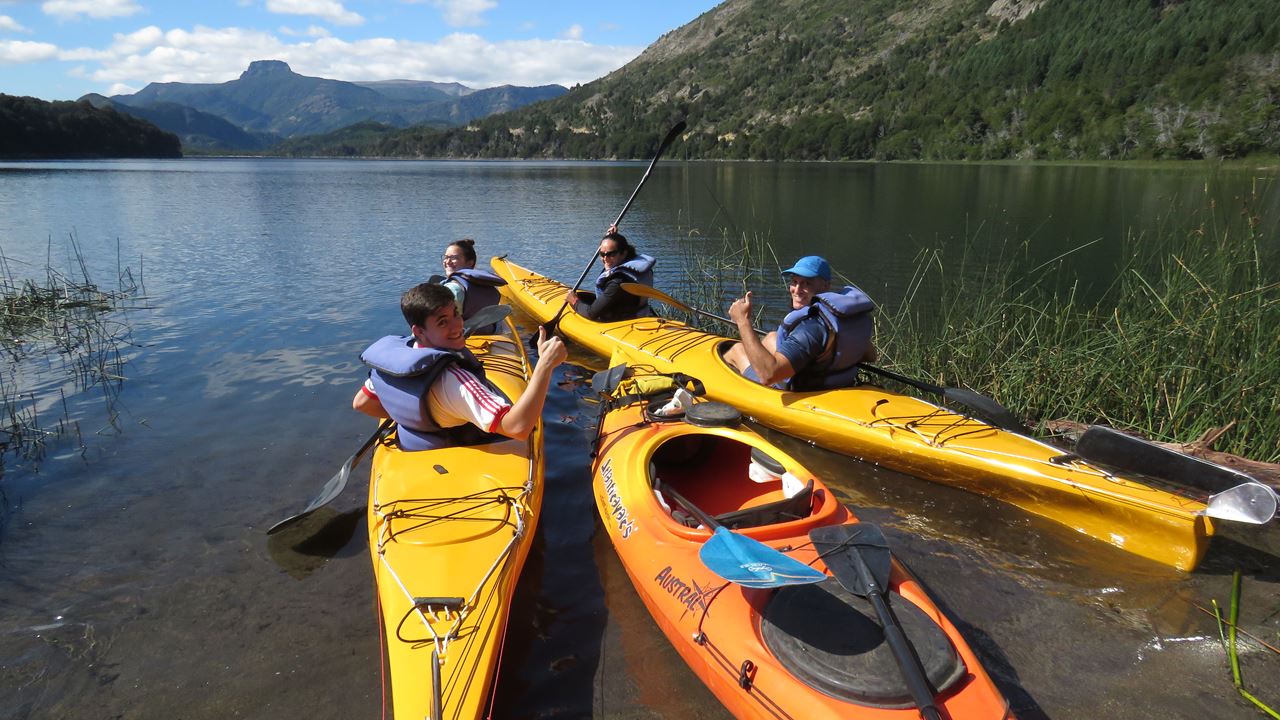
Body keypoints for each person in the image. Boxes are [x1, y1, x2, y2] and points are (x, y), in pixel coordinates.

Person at [353, 282, 566, 450]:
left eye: (455, 314)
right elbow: (517, 428)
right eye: (442, 322)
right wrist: (545, 365)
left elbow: (362, 403)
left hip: (413, 449)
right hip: (454, 459)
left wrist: (410, 416)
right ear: (419, 331)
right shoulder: (455, 381)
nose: (457, 325)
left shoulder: (393, 362)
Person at [723, 255, 877, 391]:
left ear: (825, 286)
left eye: (806, 283)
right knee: (772, 337)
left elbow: (769, 375)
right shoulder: (840, 317)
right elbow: (870, 355)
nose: (796, 290)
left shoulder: (811, 328)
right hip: (832, 380)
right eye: (794, 282)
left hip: (798, 389)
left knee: (737, 350)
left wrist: (743, 321)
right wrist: (827, 356)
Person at [565, 226, 656, 322]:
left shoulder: (617, 283)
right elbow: (613, 265)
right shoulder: (631, 266)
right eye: (602, 254)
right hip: (641, 313)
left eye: (611, 254)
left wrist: (574, 301)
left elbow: (590, 314)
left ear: (623, 254)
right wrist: (612, 238)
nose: (605, 259)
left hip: (621, 322)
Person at [440, 238, 506, 326]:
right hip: (487, 330)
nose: (447, 261)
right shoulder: (487, 285)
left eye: (454, 258)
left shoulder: (453, 288)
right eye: (446, 257)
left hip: (459, 331)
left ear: (470, 263)